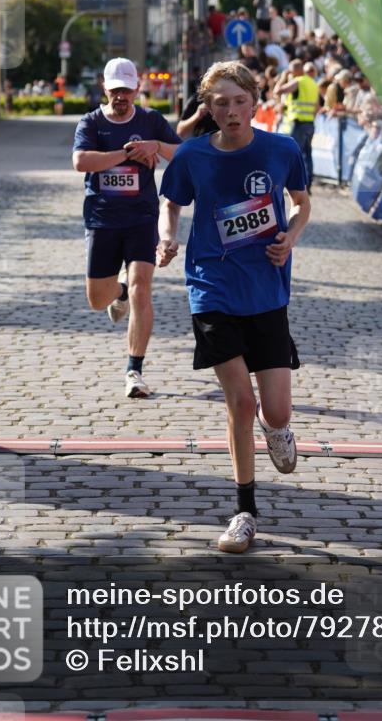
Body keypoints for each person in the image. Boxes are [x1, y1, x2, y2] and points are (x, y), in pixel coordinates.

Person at [157, 62, 310, 553]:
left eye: (239, 101)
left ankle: (277, 429)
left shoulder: (282, 149)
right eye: (219, 103)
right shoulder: (192, 156)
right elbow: (171, 202)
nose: (230, 111)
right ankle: (244, 510)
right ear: (208, 107)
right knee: (240, 402)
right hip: (211, 287)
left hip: (266, 290)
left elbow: (302, 203)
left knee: (277, 410)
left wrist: (290, 237)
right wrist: (167, 238)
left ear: (254, 100)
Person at [72, 57, 181, 398]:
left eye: (127, 90)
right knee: (96, 299)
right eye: (115, 89)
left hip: (140, 217)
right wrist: (125, 153)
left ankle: (134, 370)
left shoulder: (150, 120)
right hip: (102, 219)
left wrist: (156, 147)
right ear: (105, 88)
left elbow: (182, 153)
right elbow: (81, 161)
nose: (121, 96)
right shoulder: (90, 122)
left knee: (141, 288)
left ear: (137, 89)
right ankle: (116, 293)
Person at [274, 59, 319, 192]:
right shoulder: (313, 83)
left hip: (299, 123)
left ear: (295, 70)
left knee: (292, 154)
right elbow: (316, 106)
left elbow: (278, 91)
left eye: (290, 71)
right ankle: (307, 185)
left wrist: (283, 77)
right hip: (310, 123)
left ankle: (293, 186)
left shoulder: (298, 81)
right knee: (307, 155)